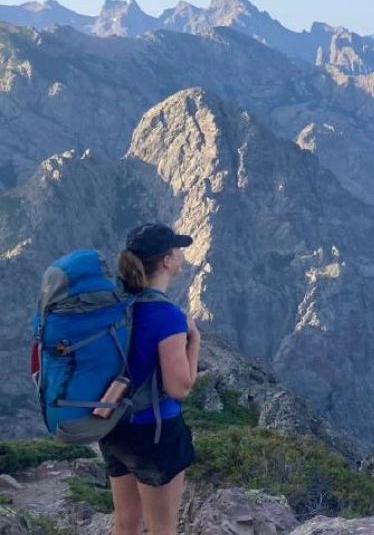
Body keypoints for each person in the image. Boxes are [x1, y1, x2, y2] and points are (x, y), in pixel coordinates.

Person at [104, 223, 200, 535]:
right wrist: (193, 340)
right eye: (177, 250)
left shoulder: (118, 306)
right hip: (156, 434)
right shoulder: (167, 315)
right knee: (162, 528)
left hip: (113, 426)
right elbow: (179, 387)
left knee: (125, 522)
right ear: (166, 261)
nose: (182, 256)